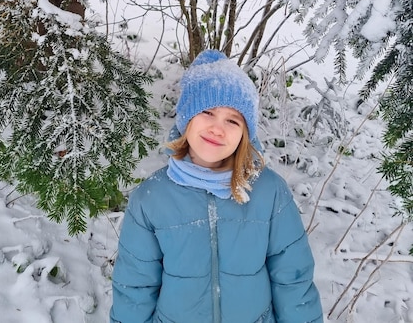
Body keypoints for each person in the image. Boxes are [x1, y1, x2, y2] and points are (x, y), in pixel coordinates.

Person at [110, 49, 324, 323]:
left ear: (245, 134)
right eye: (207, 111)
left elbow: (293, 280)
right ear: (187, 118)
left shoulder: (269, 193)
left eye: (232, 120)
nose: (217, 128)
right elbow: (135, 288)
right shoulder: (151, 199)